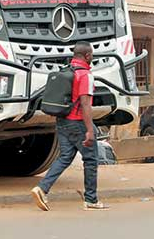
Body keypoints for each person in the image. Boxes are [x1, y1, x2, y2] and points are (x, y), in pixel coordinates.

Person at [31, 41, 108, 211]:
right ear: (87, 56)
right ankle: (91, 199)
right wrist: (89, 130)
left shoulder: (66, 71)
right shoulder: (85, 75)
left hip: (62, 120)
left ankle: (42, 189)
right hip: (78, 123)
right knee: (91, 159)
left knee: (65, 157)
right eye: (92, 55)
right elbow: (86, 105)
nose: (92, 57)